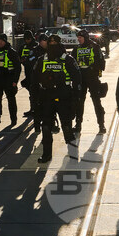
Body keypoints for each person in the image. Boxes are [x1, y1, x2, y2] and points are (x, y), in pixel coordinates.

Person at [33, 33, 80, 163]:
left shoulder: (68, 59)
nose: (53, 46)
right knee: (46, 127)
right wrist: (35, 98)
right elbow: (34, 79)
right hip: (47, 96)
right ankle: (46, 154)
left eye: (55, 44)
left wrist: (76, 98)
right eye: (50, 44)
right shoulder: (42, 59)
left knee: (66, 126)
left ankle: (73, 153)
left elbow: (77, 78)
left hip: (64, 96)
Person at [73, 29, 107, 134]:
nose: (79, 40)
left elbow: (102, 62)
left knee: (97, 102)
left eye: (80, 38)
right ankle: (78, 125)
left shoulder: (95, 47)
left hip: (92, 78)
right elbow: (72, 63)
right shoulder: (77, 48)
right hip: (81, 79)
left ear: (85, 37)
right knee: (79, 102)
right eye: (78, 38)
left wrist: (93, 69)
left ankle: (101, 125)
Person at [0, 32, 20, 126]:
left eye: (2, 41)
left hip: (9, 79)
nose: (0, 43)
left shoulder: (11, 52)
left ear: (5, 41)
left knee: (11, 100)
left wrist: (15, 81)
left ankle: (13, 119)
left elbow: (18, 67)